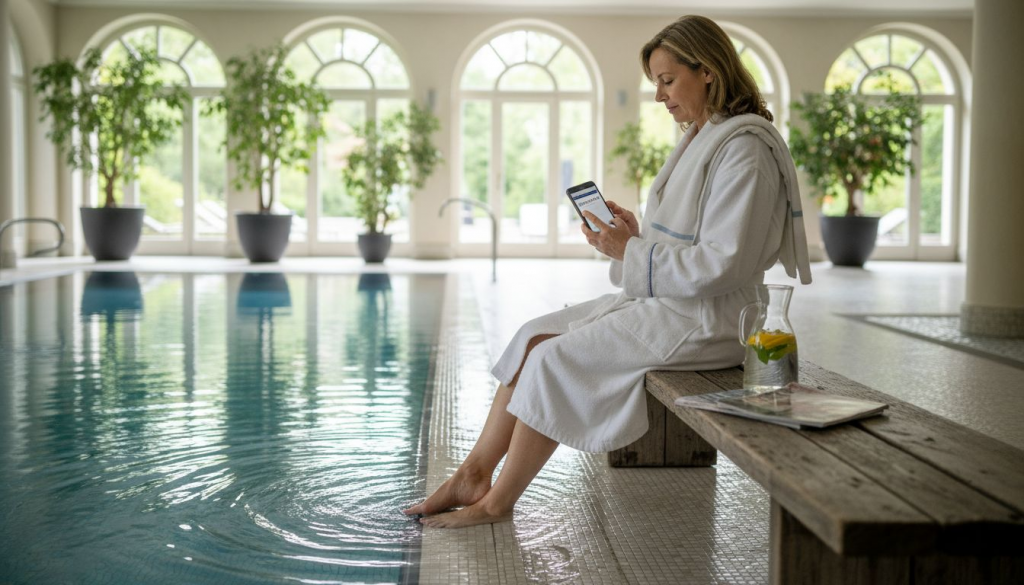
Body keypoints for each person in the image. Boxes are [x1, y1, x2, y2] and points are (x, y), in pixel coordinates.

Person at [404, 15, 811, 529]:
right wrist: (634, 240)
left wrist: (633, 253)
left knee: (553, 360)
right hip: (674, 301)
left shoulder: (744, 150)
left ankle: (497, 503)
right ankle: (473, 473)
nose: (660, 97)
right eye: (656, 84)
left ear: (707, 70)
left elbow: (722, 264)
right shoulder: (705, 136)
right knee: (533, 336)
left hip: (712, 318)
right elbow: (690, 243)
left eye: (667, 80)